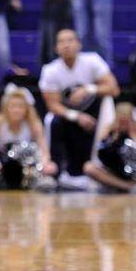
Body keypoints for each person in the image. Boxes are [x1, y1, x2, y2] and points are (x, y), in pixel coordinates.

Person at [40, 28, 120, 189]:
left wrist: (89, 89)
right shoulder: (50, 70)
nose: (66, 45)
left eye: (70, 40)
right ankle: (53, 174)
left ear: (79, 44)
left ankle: (107, 171)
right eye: (61, 42)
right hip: (67, 115)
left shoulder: (92, 61)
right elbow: (52, 104)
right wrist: (76, 116)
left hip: (94, 112)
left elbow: (114, 89)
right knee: (52, 122)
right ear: (56, 48)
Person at [0, 86, 57, 187]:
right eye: (13, 106)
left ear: (26, 109)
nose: (17, 110)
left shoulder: (34, 124)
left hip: (27, 165)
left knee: (51, 167)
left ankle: (37, 180)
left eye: (20, 107)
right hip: (0, 163)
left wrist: (39, 167)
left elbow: (45, 154)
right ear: (6, 107)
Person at [85, 102, 136, 192]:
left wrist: (133, 135)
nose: (124, 123)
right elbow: (99, 152)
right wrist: (115, 136)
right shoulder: (109, 128)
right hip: (114, 171)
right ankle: (126, 186)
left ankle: (132, 185)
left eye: (127, 120)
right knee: (89, 167)